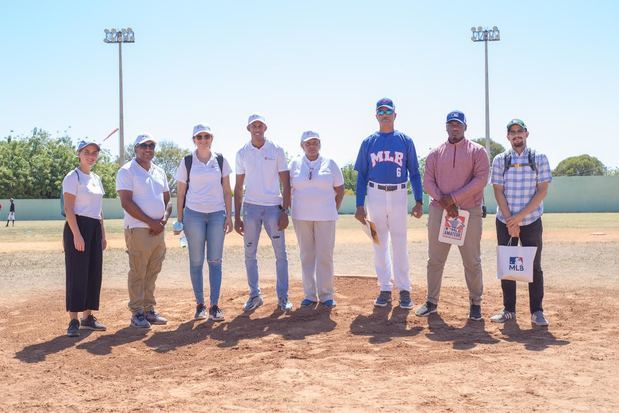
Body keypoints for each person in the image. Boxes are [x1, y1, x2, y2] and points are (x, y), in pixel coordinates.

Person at [416, 111, 489, 321]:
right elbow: (428, 182)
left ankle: (476, 303)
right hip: (440, 211)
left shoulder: (478, 151)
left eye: (458, 124)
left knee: (472, 261)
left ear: (465, 127)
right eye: (451, 124)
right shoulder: (435, 153)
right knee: (435, 260)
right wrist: (444, 201)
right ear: (445, 127)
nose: (454, 127)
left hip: (469, 211)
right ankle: (431, 301)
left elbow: (481, 180)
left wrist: (454, 199)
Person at [354, 98, 424, 309]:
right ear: (376, 116)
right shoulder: (368, 142)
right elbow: (361, 176)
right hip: (374, 193)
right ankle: (385, 287)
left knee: (400, 242)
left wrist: (419, 200)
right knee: (378, 242)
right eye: (381, 112)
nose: (384, 115)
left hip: (398, 194)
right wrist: (359, 205)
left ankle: (404, 289)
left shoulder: (405, 140)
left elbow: (414, 173)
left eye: (388, 111)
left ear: (395, 115)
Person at [490, 119, 552, 326]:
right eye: (512, 132)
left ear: (527, 134)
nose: (516, 135)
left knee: (534, 267)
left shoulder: (539, 158)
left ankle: (537, 311)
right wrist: (510, 220)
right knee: (508, 265)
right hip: (505, 222)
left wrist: (519, 218)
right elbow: (498, 190)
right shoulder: (500, 159)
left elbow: (542, 191)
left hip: (531, 221)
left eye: (520, 131)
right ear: (507, 136)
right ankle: (509, 310)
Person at [174, 123, 233, 322]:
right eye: (199, 137)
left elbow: (227, 190)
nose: (203, 140)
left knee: (215, 261)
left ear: (211, 138)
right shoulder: (187, 161)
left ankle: (214, 306)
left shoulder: (221, 160)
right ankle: (200, 305)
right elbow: (180, 192)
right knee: (196, 261)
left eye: (206, 136)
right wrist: (180, 220)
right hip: (193, 216)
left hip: (217, 215)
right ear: (194, 140)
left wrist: (229, 216)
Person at [234, 114, 292, 312]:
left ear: (265, 128)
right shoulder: (242, 153)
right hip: (250, 208)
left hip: (273, 208)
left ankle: (283, 298)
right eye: (253, 125)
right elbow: (238, 186)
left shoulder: (276, 150)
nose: (257, 128)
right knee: (250, 253)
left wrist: (285, 210)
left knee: (280, 254)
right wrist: (237, 217)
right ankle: (254, 295)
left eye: (260, 125)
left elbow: (286, 182)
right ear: (248, 128)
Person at [116, 133, 172, 328]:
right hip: (138, 229)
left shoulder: (159, 171)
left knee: (153, 270)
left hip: (158, 230)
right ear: (135, 149)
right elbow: (126, 202)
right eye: (143, 146)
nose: (148, 149)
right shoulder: (127, 171)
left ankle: (149, 310)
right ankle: (137, 312)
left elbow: (168, 200)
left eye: (151, 146)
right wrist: (151, 222)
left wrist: (163, 221)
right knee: (138, 270)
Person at [289, 131, 345, 308]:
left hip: (326, 217)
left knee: (325, 255)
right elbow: (288, 190)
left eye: (315, 142)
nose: (312, 146)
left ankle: (326, 294)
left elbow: (340, 189)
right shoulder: (294, 164)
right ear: (302, 146)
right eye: (308, 143)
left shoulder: (330, 163)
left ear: (320, 144)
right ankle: (310, 294)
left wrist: (330, 209)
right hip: (301, 217)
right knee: (306, 255)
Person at [62, 140, 107, 337]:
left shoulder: (96, 178)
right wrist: (77, 234)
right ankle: (73, 319)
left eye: (94, 152)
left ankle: (88, 317)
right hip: (77, 226)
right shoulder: (73, 177)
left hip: (95, 227)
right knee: (77, 273)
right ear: (79, 154)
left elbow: (99, 209)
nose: (91, 156)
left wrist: (103, 234)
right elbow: (69, 209)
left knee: (93, 272)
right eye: (87, 152)